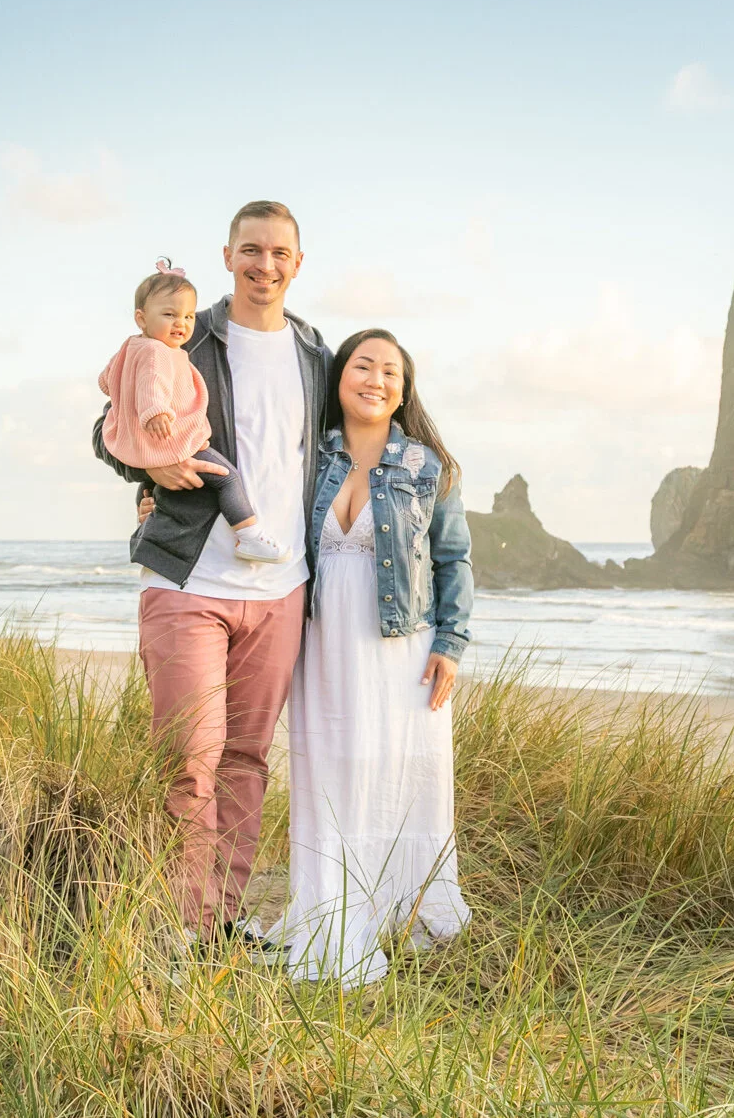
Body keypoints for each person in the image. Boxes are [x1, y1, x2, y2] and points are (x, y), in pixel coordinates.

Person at [92, 201, 330, 949]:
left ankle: (217, 921)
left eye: (280, 252)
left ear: (299, 261)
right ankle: (175, 925)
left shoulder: (317, 353)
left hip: (281, 588)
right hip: (190, 582)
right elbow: (106, 428)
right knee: (187, 761)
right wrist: (146, 462)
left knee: (245, 760)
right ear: (228, 255)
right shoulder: (183, 334)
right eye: (251, 249)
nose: (266, 264)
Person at [270, 328, 474, 986]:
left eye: (392, 371)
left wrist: (451, 643)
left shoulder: (427, 465)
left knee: (398, 772)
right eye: (364, 364)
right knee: (332, 771)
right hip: (323, 646)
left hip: (402, 646)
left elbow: (454, 558)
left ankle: (406, 910)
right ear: (338, 377)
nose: (376, 379)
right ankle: (333, 910)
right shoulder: (308, 459)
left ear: (404, 389)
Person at [97, 260, 291, 564]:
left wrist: (126, 393)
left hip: (150, 445)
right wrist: (154, 411)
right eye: (170, 315)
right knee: (227, 478)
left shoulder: (131, 347)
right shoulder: (158, 351)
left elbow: (107, 381)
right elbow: (152, 384)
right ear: (141, 318)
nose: (182, 324)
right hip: (173, 441)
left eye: (188, 316)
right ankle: (251, 536)